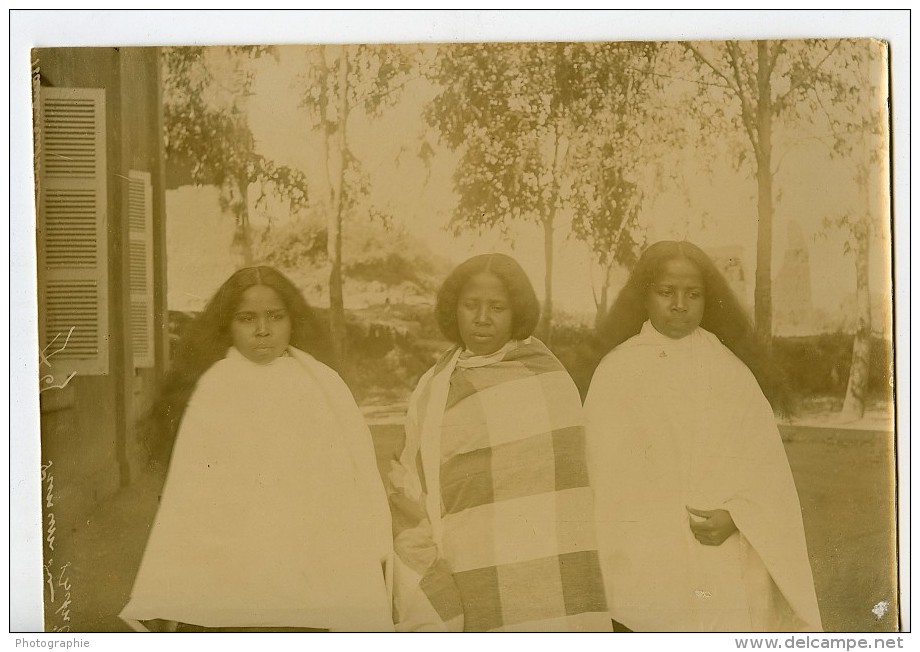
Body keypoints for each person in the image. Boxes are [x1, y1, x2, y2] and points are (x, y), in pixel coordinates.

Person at [120, 266, 394, 632]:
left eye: (275, 317)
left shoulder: (321, 383)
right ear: (227, 324)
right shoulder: (214, 388)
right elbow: (190, 496)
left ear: (292, 320)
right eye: (247, 318)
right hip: (232, 557)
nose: (263, 330)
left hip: (309, 553)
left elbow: (348, 477)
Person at [584, 240, 822, 632]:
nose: (680, 304)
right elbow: (598, 475)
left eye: (693, 294)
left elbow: (765, 470)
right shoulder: (616, 371)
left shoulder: (730, 371)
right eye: (666, 292)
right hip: (643, 558)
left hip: (719, 555)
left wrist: (737, 515)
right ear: (645, 297)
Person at [387, 253, 610, 632]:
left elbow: (569, 484)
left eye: (497, 307)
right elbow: (411, 477)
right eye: (471, 305)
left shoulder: (548, 378)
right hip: (467, 555)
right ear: (453, 309)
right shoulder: (433, 387)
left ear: (516, 313)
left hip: (544, 555)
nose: (482, 318)